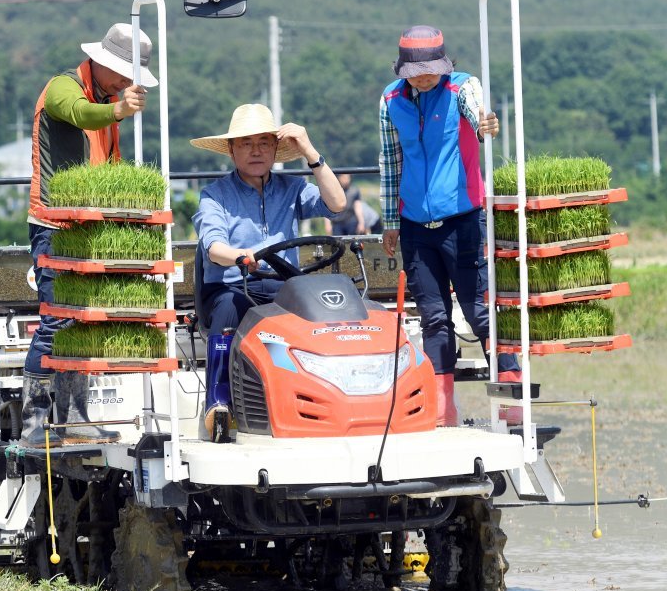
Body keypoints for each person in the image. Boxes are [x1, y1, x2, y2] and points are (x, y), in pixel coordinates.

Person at [378, 25, 520, 427]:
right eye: (416, 70)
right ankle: (442, 408)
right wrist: (390, 221)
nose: (424, 76)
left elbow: (477, 112)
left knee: (478, 310)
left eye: (431, 68)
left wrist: (484, 123)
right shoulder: (390, 100)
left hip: (463, 218)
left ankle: (512, 396)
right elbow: (390, 163)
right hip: (414, 226)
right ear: (403, 69)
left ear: (444, 65)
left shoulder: (461, 88)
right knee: (433, 316)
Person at [21, 22, 156, 447]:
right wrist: (117, 111)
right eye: (120, 73)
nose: (124, 83)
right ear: (97, 61)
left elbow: (109, 165)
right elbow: (80, 114)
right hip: (55, 227)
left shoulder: (109, 100)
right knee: (56, 322)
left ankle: (75, 417)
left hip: (93, 230)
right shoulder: (63, 88)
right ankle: (33, 423)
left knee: (82, 324)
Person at [192, 103, 346, 336]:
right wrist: (240, 256)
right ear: (231, 150)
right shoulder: (215, 195)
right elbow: (214, 248)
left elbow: (337, 204)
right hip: (233, 286)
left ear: (275, 149)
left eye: (264, 143)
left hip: (285, 286)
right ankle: (220, 373)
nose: (256, 151)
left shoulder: (293, 187)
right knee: (228, 311)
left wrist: (311, 153)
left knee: (327, 318)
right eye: (246, 143)